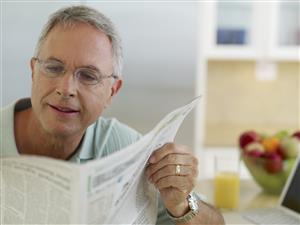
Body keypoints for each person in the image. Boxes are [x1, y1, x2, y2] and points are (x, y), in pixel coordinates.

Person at [0, 5, 224, 225]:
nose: (66, 88)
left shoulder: (124, 149)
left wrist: (181, 204)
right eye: (54, 68)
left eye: (88, 75)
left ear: (112, 91)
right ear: (33, 71)